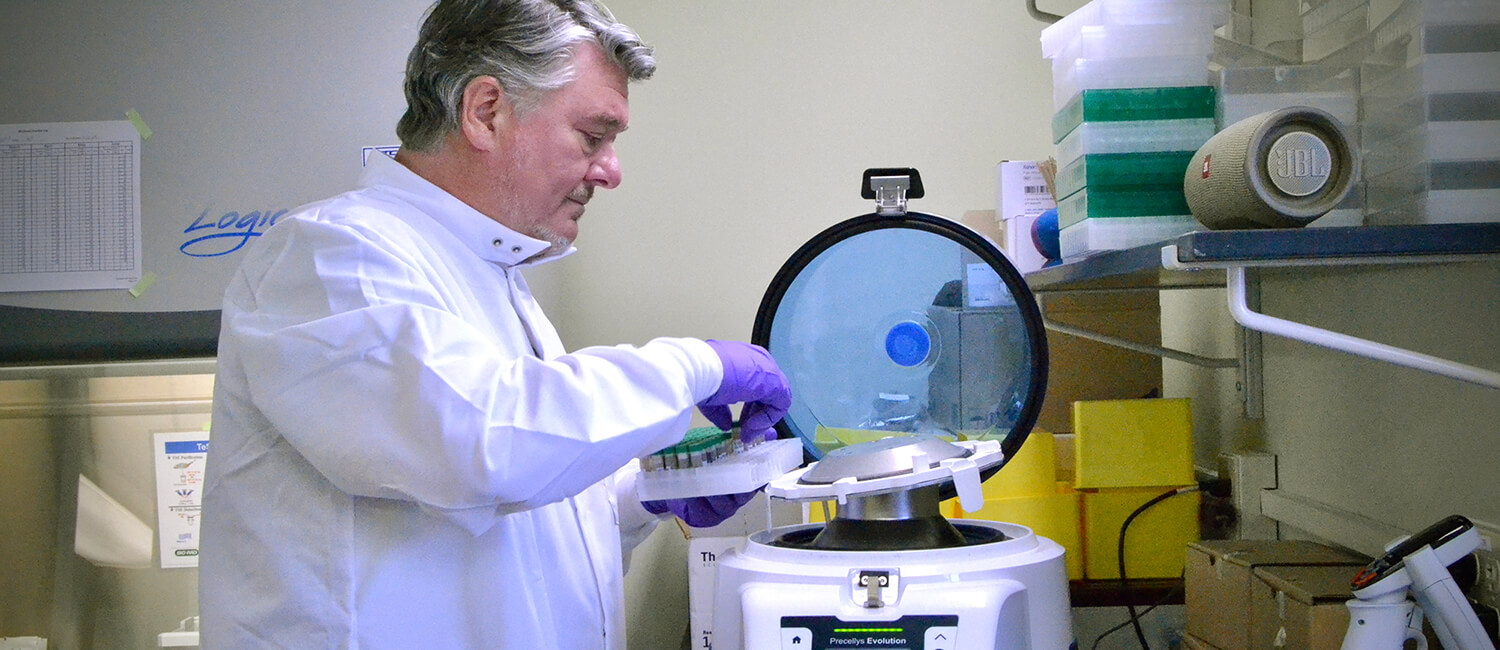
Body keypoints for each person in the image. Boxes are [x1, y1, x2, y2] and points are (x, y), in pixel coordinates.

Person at [197, 1, 791, 647]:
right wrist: (691, 365)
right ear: (485, 112)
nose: (611, 171)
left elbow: (510, 511)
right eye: (593, 136)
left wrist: (637, 499)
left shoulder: (487, 272)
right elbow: (478, 443)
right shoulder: (334, 256)